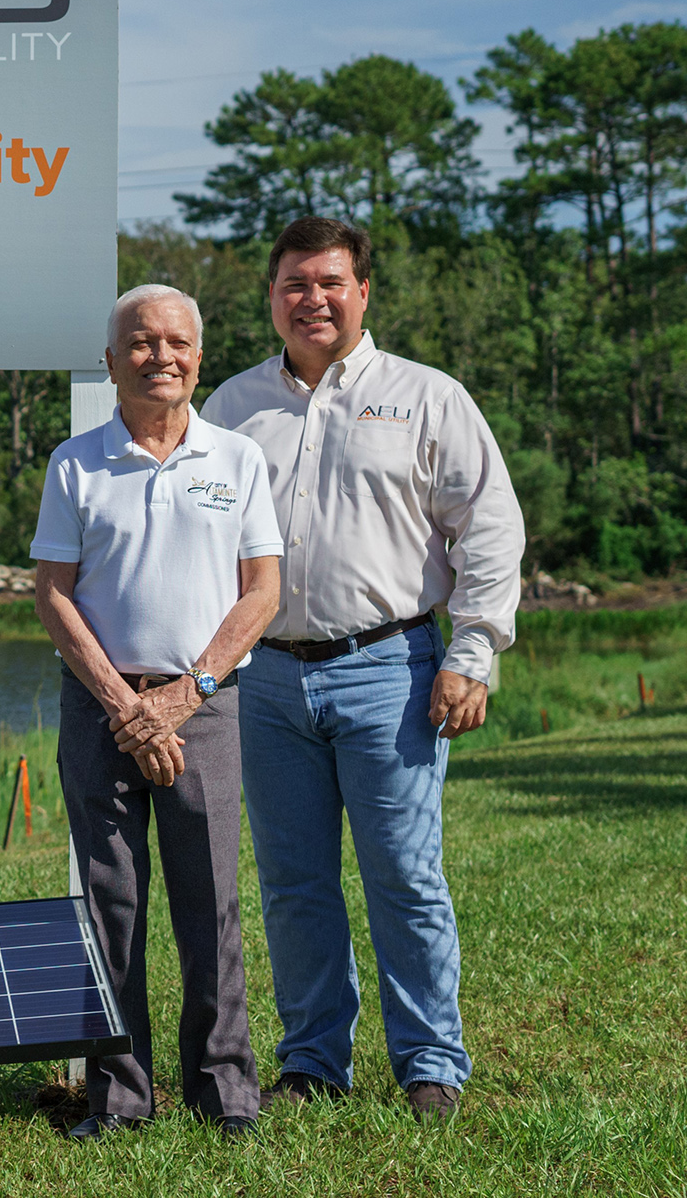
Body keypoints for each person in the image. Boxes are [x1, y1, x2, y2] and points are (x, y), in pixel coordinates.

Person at [203, 217, 524, 1122]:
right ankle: (313, 1061)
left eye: (331, 281)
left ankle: (430, 1064)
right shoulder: (230, 408)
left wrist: (472, 653)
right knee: (294, 882)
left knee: (404, 876)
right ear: (271, 297)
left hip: (391, 667)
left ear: (364, 292)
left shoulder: (427, 397)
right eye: (295, 283)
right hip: (263, 680)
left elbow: (489, 530)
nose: (314, 297)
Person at [31, 284, 284, 1140]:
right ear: (111, 361)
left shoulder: (238, 459)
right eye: (140, 343)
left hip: (205, 703)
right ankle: (119, 1097)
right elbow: (53, 595)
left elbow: (263, 593)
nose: (160, 356)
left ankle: (225, 1090)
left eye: (176, 342)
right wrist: (123, 704)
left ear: (199, 358)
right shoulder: (75, 461)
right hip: (101, 703)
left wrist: (182, 696)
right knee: (110, 900)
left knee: (210, 898)